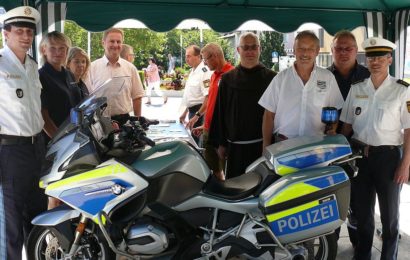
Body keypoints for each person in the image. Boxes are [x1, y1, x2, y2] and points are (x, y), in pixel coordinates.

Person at [340, 37, 410, 260]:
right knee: (362, 215)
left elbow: (409, 131)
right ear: (366, 60)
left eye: (381, 57)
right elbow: (347, 126)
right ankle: (362, 256)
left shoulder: (403, 90)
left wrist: (405, 165)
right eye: (371, 57)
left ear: (390, 59)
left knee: (390, 218)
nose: (375, 61)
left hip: (389, 158)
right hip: (360, 157)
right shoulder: (357, 89)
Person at [0, 6, 48, 259]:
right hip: (10, 151)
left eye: (29, 32)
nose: (26, 37)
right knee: (11, 224)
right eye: (19, 31)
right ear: (5, 34)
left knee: (37, 217)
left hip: (36, 148)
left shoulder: (31, 66)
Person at [259, 30, 344, 148]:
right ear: (294, 50)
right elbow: (268, 115)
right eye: (301, 48)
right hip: (283, 145)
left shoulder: (328, 77)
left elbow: (334, 110)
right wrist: (266, 145)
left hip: (317, 145)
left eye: (310, 49)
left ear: (317, 51)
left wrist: (331, 130)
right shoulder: (280, 78)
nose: (305, 53)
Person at [210, 32, 276, 179]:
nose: (250, 51)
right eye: (245, 47)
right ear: (238, 50)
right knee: (236, 190)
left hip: (263, 147)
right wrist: (220, 143)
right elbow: (220, 112)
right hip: (235, 149)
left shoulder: (272, 78)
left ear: (260, 49)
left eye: (253, 47)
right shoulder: (227, 79)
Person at [328, 30, 370, 248]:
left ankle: (358, 245)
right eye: (339, 48)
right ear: (332, 51)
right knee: (332, 199)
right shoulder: (323, 76)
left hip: (362, 150)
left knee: (359, 202)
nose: (343, 52)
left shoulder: (369, 76)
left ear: (356, 50)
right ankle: (331, 244)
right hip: (332, 151)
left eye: (348, 48)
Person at [191, 43, 235, 180]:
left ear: (215, 56)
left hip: (222, 133)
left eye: (205, 59)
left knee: (224, 169)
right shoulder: (213, 75)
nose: (204, 63)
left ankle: (224, 196)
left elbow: (229, 110)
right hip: (210, 129)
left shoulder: (232, 75)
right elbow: (211, 102)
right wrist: (204, 124)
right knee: (212, 169)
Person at [88, 28, 144, 124]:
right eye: (112, 41)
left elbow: (137, 97)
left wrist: (137, 122)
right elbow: (86, 98)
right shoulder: (91, 68)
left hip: (125, 121)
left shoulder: (130, 68)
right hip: (99, 122)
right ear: (103, 43)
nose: (115, 45)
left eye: (118, 42)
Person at [39, 31, 82, 140]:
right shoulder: (40, 77)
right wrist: (59, 139)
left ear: (67, 50)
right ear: (44, 50)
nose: (58, 52)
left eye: (62, 48)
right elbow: (43, 116)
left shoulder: (69, 74)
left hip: (73, 135)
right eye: (52, 48)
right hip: (55, 140)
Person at [179, 45, 212, 144]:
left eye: (189, 56)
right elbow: (190, 96)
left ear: (198, 56)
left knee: (199, 144)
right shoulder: (193, 71)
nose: (186, 59)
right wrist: (185, 113)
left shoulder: (204, 72)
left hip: (200, 113)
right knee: (194, 141)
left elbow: (208, 96)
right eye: (186, 56)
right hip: (192, 112)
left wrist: (197, 116)